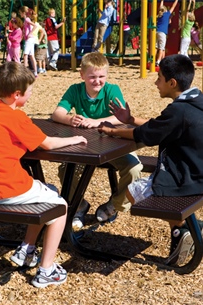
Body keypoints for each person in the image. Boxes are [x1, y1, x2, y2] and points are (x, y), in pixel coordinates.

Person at [0, 61, 87, 288]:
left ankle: (26, 250)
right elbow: (46, 143)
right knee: (61, 207)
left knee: (49, 193)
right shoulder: (15, 117)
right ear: (17, 94)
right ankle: (46, 270)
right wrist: (74, 139)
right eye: (30, 90)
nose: (32, 93)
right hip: (9, 186)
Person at [98, 54, 203, 266]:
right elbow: (160, 126)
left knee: (131, 191)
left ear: (172, 83)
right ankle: (185, 229)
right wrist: (129, 120)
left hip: (185, 178)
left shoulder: (178, 110)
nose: (156, 83)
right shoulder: (196, 100)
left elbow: (144, 136)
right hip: (197, 170)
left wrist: (111, 130)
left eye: (159, 78)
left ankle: (182, 228)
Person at [51, 52, 143, 229]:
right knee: (65, 168)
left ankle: (114, 206)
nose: (97, 81)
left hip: (113, 142)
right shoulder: (75, 90)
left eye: (101, 76)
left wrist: (96, 122)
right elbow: (57, 113)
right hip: (85, 145)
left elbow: (122, 117)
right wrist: (70, 119)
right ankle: (79, 205)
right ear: (82, 75)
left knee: (134, 168)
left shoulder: (111, 90)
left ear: (107, 76)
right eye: (92, 77)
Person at [155, 0, 178, 66]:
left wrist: (162, 0)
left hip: (157, 32)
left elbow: (160, 7)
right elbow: (173, 6)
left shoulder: (159, 15)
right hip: (162, 33)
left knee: (157, 47)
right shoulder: (167, 14)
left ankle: (159, 60)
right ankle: (158, 61)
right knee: (161, 48)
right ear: (165, 10)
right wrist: (176, 0)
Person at [19, 6, 38, 77]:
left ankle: (25, 71)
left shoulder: (27, 19)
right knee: (31, 56)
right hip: (30, 39)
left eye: (20, 13)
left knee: (25, 55)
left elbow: (35, 26)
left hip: (29, 39)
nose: (20, 14)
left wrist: (30, 33)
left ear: (23, 13)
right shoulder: (26, 20)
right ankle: (35, 72)